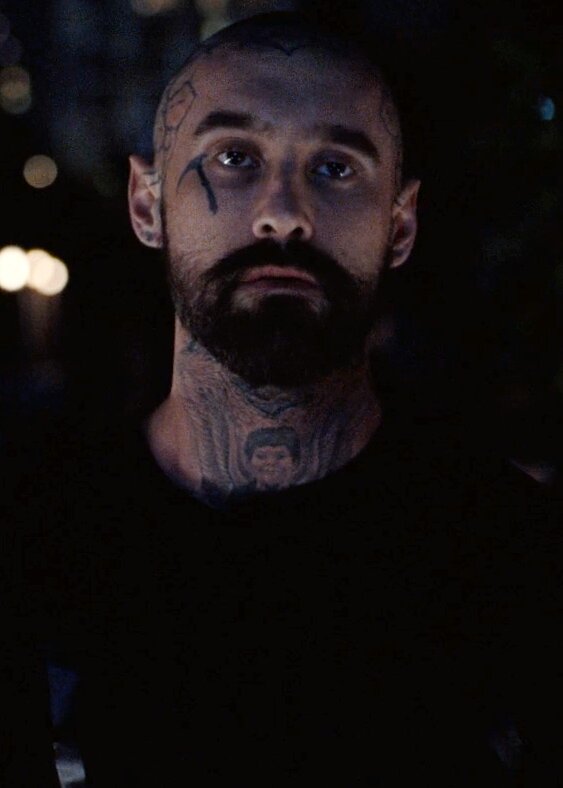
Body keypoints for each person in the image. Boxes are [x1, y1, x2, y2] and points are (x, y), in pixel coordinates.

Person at [16, 11, 563, 786]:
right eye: (233, 157)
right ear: (146, 204)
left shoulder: (513, 560)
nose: (283, 212)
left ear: (400, 224)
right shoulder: (34, 545)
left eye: (335, 167)